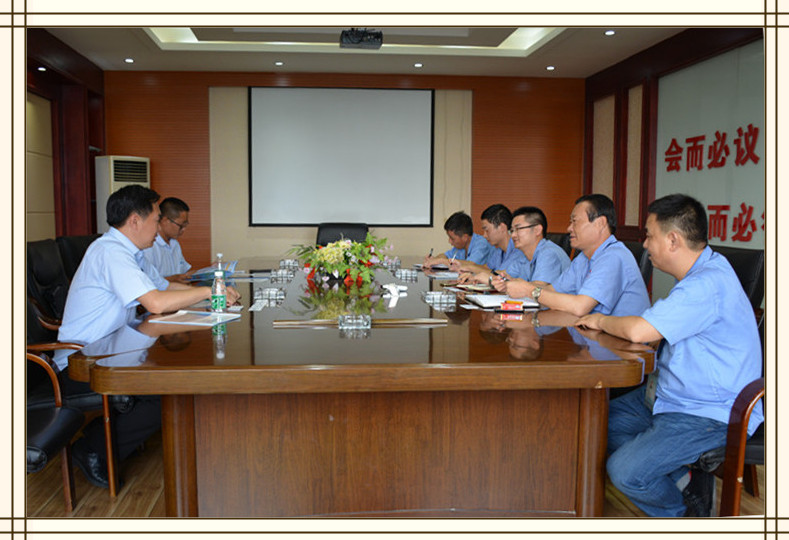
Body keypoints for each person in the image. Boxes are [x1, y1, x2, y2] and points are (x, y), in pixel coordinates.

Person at [576, 194, 763, 517]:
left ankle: (684, 518)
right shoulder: (701, 273)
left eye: (650, 235)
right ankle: (685, 482)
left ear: (673, 240)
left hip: (709, 413)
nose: (645, 244)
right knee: (595, 425)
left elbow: (640, 331)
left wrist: (600, 320)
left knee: (625, 471)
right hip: (669, 396)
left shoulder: (705, 284)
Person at [56, 185, 240, 489]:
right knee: (164, 393)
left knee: (166, 386)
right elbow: (155, 303)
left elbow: (165, 288)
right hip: (82, 361)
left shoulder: (132, 253)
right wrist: (208, 292)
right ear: (134, 220)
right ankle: (92, 449)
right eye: (156, 219)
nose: (158, 228)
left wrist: (211, 294)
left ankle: (101, 440)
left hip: (113, 350)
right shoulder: (110, 253)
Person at [494, 194, 650, 317]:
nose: (569, 228)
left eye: (575, 221)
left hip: (622, 344)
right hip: (590, 334)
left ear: (600, 223)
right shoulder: (583, 258)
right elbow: (552, 290)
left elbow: (580, 306)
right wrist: (515, 284)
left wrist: (529, 290)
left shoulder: (613, 256)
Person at [493, 206, 570, 285]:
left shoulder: (549, 253)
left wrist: (512, 283)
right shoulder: (523, 257)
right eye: (512, 230)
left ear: (537, 230)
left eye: (518, 229)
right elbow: (503, 275)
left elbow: (539, 288)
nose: (513, 235)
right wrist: (498, 280)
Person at [451, 204, 528, 283]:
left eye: (487, 230)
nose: (484, 235)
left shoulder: (518, 250)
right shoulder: (498, 250)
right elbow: (487, 268)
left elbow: (500, 275)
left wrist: (471, 269)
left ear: (502, 227)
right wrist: (468, 268)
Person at [142, 196, 193, 283]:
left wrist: (209, 271)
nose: (183, 230)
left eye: (185, 225)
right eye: (181, 225)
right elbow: (146, 282)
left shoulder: (174, 244)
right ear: (165, 221)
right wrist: (172, 280)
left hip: (178, 290)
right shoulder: (149, 246)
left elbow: (185, 274)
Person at [423, 211, 493, 268]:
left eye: (452, 238)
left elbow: (471, 265)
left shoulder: (482, 244)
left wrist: (441, 261)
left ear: (465, 237)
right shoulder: (460, 247)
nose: (449, 241)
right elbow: (445, 255)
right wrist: (434, 259)